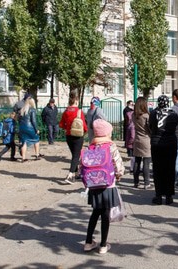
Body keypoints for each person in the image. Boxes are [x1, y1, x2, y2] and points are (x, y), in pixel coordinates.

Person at [82, 119, 124, 254]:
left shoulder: (90, 147)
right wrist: (119, 174)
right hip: (108, 185)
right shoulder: (110, 146)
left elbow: (82, 166)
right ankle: (103, 245)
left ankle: (88, 242)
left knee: (95, 212)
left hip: (94, 185)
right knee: (105, 214)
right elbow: (118, 165)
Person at [149, 95, 178, 205]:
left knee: (158, 169)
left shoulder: (153, 113)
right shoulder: (173, 114)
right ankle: (169, 196)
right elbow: (174, 126)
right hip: (170, 142)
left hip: (156, 143)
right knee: (170, 168)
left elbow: (151, 126)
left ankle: (159, 195)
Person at [59, 91, 88, 183]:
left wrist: (68, 128)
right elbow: (84, 125)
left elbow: (61, 124)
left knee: (74, 155)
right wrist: (85, 132)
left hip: (68, 135)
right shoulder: (79, 111)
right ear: (76, 100)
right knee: (76, 155)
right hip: (78, 136)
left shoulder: (66, 111)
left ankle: (76, 174)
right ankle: (70, 175)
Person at [132, 97, 152, 189]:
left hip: (137, 139)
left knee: (137, 161)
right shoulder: (146, 116)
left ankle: (136, 182)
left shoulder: (133, 115)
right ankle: (146, 182)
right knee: (146, 162)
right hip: (146, 140)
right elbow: (149, 129)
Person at [18, 97, 43, 162]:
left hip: (22, 127)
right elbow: (33, 121)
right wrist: (36, 129)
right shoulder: (32, 110)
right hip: (30, 127)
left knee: (24, 142)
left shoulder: (22, 109)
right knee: (36, 140)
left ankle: (23, 158)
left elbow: (19, 120)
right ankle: (37, 155)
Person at [123, 100, 135, 173]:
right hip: (131, 137)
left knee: (133, 155)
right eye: (131, 104)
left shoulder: (131, 111)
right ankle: (133, 168)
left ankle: (132, 168)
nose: (132, 105)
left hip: (131, 139)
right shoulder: (127, 111)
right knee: (133, 155)